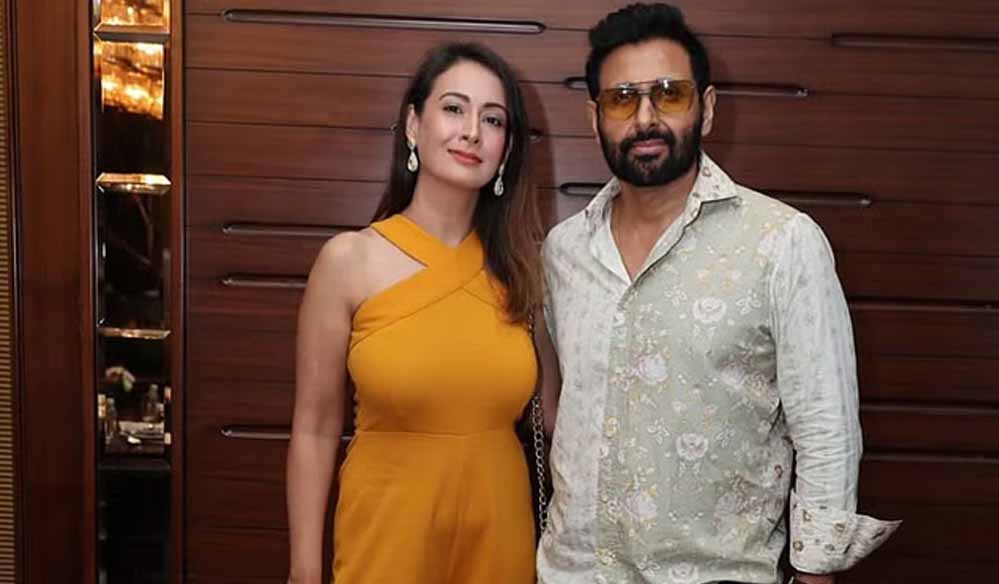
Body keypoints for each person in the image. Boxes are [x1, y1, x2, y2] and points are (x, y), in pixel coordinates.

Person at [537, 4, 900, 584]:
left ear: (706, 108)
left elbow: (826, 428)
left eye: (669, 94)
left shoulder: (781, 243)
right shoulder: (564, 252)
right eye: (622, 99)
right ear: (595, 117)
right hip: (573, 573)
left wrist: (814, 573)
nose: (646, 119)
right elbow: (562, 407)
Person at [286, 42, 559, 584]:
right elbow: (314, 429)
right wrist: (304, 570)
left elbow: (558, 419)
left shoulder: (525, 271)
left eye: (493, 119)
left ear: (506, 148)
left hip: (500, 540)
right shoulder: (348, 261)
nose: (472, 132)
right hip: (386, 535)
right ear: (414, 125)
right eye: (454, 108)